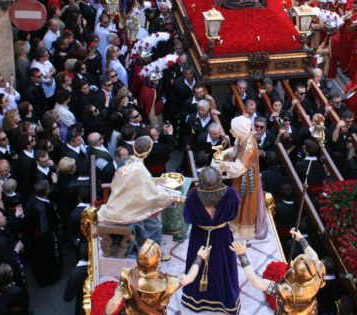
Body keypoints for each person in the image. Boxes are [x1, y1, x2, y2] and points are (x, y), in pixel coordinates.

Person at [97, 136, 181, 251]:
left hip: (116, 206)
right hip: (127, 212)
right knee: (156, 226)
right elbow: (152, 196)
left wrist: (153, 181)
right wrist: (171, 198)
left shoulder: (126, 165)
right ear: (148, 153)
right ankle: (151, 252)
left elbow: (128, 184)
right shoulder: (141, 170)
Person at [181, 167, 241, 314]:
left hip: (200, 236)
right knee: (223, 267)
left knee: (197, 265)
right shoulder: (231, 194)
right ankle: (224, 300)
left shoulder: (193, 196)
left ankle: (196, 300)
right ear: (219, 179)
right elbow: (233, 214)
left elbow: (188, 218)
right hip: (221, 236)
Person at [230, 228, 326, 314]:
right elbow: (314, 256)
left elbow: (256, 282)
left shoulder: (288, 290)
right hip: (309, 309)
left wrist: (242, 255)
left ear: (295, 274)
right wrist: (300, 239)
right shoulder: (317, 270)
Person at [106, 239, 210, 315]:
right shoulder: (169, 282)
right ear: (158, 261)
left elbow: (114, 302)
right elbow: (190, 277)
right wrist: (199, 257)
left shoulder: (127, 275)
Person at [213, 115, 267, 239]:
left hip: (248, 179)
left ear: (239, 130)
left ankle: (244, 230)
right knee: (237, 198)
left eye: (233, 129)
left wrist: (223, 164)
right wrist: (224, 153)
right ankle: (234, 224)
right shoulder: (242, 137)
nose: (231, 131)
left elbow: (237, 169)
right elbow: (235, 150)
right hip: (241, 177)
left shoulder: (250, 146)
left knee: (245, 203)